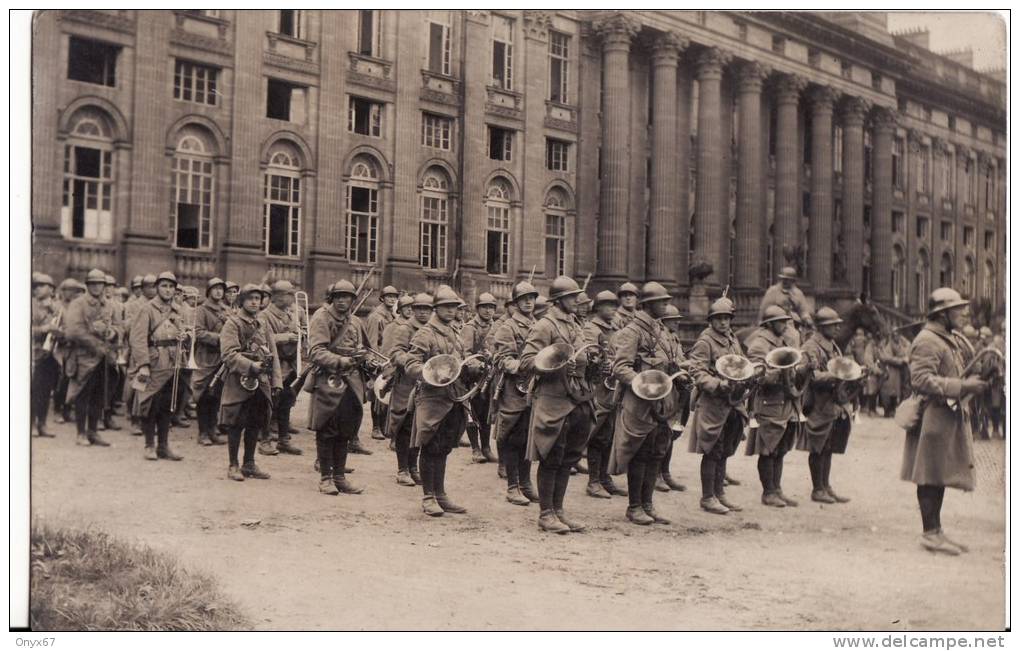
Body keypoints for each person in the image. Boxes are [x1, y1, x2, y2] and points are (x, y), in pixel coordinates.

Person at [901, 288, 988, 555]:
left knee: (937, 475)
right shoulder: (928, 340)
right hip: (933, 417)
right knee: (929, 475)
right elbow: (920, 380)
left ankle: (936, 531)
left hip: (944, 416)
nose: (962, 314)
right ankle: (930, 533)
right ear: (941, 314)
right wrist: (962, 386)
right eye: (957, 310)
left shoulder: (944, 338)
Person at [520, 276, 593, 534]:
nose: (578, 301)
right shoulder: (544, 325)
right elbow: (527, 361)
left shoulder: (575, 324)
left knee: (567, 458)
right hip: (552, 400)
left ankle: (559, 510)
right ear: (560, 300)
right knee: (551, 456)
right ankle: (546, 513)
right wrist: (557, 363)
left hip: (576, 399)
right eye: (573, 297)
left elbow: (583, 357)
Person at [405, 285, 484, 516]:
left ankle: (440, 494)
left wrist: (473, 368)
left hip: (453, 397)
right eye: (446, 307)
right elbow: (411, 364)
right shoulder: (425, 333)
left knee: (444, 447)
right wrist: (431, 373)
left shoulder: (455, 332)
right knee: (430, 446)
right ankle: (428, 497)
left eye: (454, 307)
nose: (451, 311)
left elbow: (458, 362)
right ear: (436, 308)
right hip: (432, 398)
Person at [608, 282, 677, 525]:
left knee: (657, 451)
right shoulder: (631, 331)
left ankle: (648, 504)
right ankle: (634, 506)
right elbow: (620, 367)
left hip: (661, 402)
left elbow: (670, 361)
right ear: (648, 305)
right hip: (638, 401)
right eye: (663, 302)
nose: (666, 305)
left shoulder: (662, 331)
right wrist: (642, 382)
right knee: (640, 452)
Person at [687, 297, 749, 515]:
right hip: (713, 403)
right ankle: (707, 497)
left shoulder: (732, 339)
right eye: (719, 319)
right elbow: (697, 372)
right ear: (711, 321)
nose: (723, 323)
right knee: (712, 450)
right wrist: (718, 384)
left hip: (732, 403)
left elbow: (742, 363)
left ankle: (719, 494)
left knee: (725, 450)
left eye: (727, 318)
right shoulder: (705, 342)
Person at [306, 280, 367, 495]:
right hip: (328, 380)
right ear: (332, 298)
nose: (343, 301)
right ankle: (326, 478)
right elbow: (315, 352)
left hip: (351, 381)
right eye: (339, 296)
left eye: (347, 297)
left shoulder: (355, 321)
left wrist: (361, 356)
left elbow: (362, 347)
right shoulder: (321, 317)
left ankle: (340, 477)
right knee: (327, 429)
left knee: (346, 429)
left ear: (352, 299)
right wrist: (340, 361)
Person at [218, 284, 280, 481]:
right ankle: (233, 464)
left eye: (258, 298)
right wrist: (251, 366)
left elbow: (273, 352)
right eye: (250, 298)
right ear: (241, 301)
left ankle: (249, 463)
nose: (255, 302)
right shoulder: (233, 323)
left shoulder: (263, 323)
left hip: (260, 380)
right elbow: (228, 354)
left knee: (256, 421)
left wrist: (276, 380)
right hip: (239, 379)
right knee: (237, 422)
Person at [128, 271, 188, 461]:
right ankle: (149, 445)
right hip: (154, 362)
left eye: (171, 287)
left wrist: (185, 337)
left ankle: (163, 445)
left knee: (168, 406)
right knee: (150, 404)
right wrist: (143, 364)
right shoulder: (147, 309)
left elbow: (184, 334)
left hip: (174, 362)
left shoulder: (179, 310)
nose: (168, 290)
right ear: (157, 288)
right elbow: (137, 339)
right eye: (164, 286)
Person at [491, 282, 541, 506]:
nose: (528, 302)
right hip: (514, 388)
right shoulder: (508, 327)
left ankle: (526, 483)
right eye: (523, 299)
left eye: (531, 298)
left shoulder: (539, 325)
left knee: (529, 436)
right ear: (516, 303)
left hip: (536, 387)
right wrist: (521, 365)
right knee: (513, 437)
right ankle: (512, 486)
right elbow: (502, 359)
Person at [797, 307, 853, 504]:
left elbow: (840, 366)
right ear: (822, 327)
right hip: (818, 403)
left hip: (833, 403)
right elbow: (812, 377)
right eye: (833, 325)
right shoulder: (811, 347)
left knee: (829, 446)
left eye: (838, 324)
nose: (838, 327)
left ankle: (826, 486)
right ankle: (817, 489)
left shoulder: (832, 345)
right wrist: (838, 375)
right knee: (818, 446)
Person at [745, 306, 800, 508]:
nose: (785, 325)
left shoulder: (783, 341)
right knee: (768, 448)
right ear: (769, 323)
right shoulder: (759, 344)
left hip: (784, 401)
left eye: (785, 321)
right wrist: (777, 371)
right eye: (780, 322)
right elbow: (756, 375)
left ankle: (777, 489)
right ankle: (768, 492)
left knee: (781, 448)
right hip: (768, 402)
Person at [383, 292, 432, 486]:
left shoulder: (432, 330)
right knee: (404, 426)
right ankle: (402, 469)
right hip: (406, 383)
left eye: (427, 309)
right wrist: (413, 363)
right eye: (418, 309)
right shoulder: (405, 328)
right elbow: (395, 353)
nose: (422, 313)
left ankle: (413, 467)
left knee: (419, 427)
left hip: (427, 384)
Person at [63, 268, 116, 447]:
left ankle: (93, 432)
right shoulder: (78, 303)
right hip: (83, 357)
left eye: (100, 283)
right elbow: (73, 331)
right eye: (92, 283)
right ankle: (81, 433)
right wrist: (97, 343)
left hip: (103, 358)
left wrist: (112, 332)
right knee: (82, 395)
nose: (96, 287)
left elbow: (118, 326)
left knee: (98, 396)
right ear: (87, 285)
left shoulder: (109, 304)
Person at [582, 290, 626, 499]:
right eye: (608, 305)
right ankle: (593, 481)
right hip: (598, 387)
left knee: (609, 434)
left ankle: (605, 477)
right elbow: (590, 354)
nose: (613, 309)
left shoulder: (615, 328)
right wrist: (602, 362)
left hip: (613, 387)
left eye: (615, 306)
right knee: (596, 433)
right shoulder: (591, 328)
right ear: (598, 308)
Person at [258, 280, 303, 455]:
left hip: (289, 366)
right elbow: (262, 340)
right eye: (289, 294)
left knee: (285, 403)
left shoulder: (291, 314)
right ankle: (265, 440)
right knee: (268, 404)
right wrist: (286, 337)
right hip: (273, 366)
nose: (292, 297)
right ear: (277, 297)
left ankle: (284, 440)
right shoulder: (264, 315)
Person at [460, 292, 499, 463]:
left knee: (486, 413)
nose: (488, 311)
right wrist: (478, 365)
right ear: (477, 308)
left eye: (491, 307)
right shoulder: (470, 327)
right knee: (472, 413)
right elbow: (465, 353)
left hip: (490, 376)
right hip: (473, 377)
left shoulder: (496, 326)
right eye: (484, 307)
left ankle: (486, 447)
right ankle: (475, 449)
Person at [191, 277, 228, 446]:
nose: (219, 292)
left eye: (221, 289)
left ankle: (213, 430)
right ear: (209, 291)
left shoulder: (226, 310)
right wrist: (221, 338)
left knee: (217, 395)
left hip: (222, 358)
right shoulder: (201, 310)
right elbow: (198, 332)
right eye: (215, 288)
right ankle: (203, 432)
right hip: (205, 358)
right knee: (203, 394)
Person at [657, 304, 689, 493]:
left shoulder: (674, 337)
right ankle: (656, 475)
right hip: (665, 390)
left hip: (676, 389)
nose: (677, 321)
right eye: (673, 319)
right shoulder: (660, 338)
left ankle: (665, 472)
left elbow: (679, 359)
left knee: (670, 433)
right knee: (661, 433)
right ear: (663, 321)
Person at [365, 285, 399, 440]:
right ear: (382, 298)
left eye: (394, 296)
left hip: (390, 359)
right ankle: (376, 427)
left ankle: (385, 427)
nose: (392, 299)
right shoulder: (376, 316)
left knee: (387, 393)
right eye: (389, 296)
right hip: (379, 360)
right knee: (377, 394)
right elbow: (371, 342)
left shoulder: (392, 316)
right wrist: (375, 362)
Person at [52, 278, 85, 425]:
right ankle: (57, 410)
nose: (72, 293)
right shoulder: (57, 306)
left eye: (75, 290)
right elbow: (54, 326)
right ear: (63, 291)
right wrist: (63, 335)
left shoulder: (77, 307)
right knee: (61, 379)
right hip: (60, 348)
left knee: (72, 379)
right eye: (69, 290)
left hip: (74, 348)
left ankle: (67, 409)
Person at [31, 273, 60, 438]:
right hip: (33, 354)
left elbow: (60, 324)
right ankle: (32, 424)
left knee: (45, 390)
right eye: (41, 286)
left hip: (49, 354)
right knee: (33, 391)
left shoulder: (54, 307)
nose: (46, 289)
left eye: (48, 286)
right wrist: (44, 329)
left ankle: (42, 423)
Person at [757, 266, 813, 339]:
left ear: (793, 281)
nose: (785, 281)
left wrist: (807, 318)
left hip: (794, 323)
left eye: (788, 280)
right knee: (793, 336)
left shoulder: (798, 293)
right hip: (776, 323)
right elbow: (764, 309)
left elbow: (803, 310)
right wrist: (760, 323)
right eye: (783, 279)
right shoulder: (773, 291)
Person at [877, 328, 911, 417]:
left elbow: (908, 350)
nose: (897, 336)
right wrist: (901, 360)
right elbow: (885, 357)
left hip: (901, 370)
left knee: (900, 390)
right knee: (889, 390)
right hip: (890, 369)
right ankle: (888, 410)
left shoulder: (902, 342)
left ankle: (897, 410)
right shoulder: (886, 344)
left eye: (898, 334)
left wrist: (905, 358)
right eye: (895, 334)